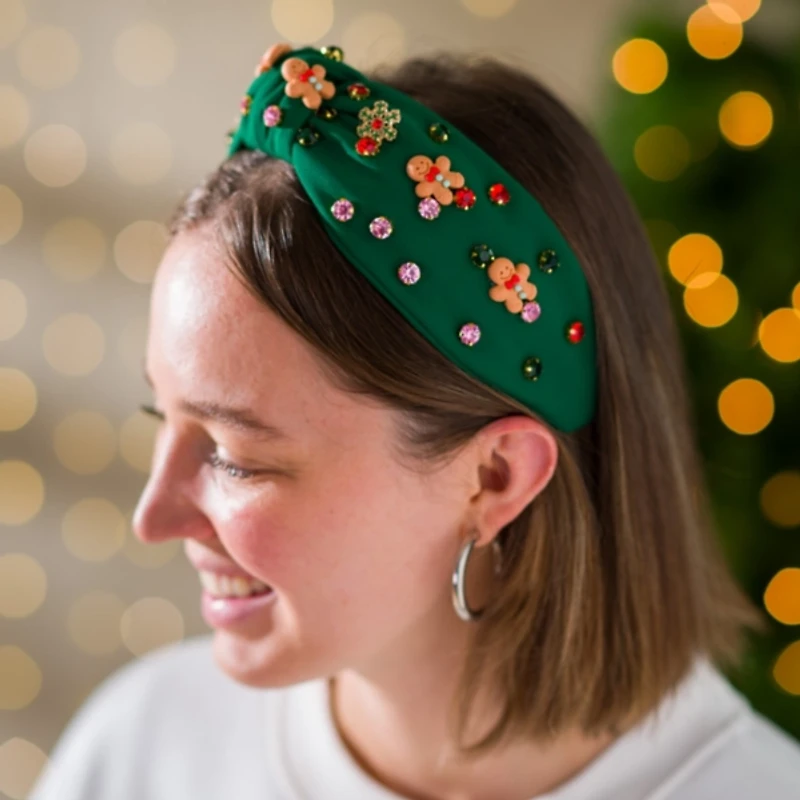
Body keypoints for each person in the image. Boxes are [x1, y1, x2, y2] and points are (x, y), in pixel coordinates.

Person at [29, 42, 800, 800]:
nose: (152, 517)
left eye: (236, 457)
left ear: (494, 477)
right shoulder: (141, 749)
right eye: (158, 415)